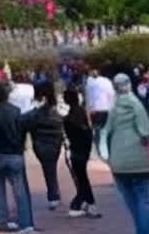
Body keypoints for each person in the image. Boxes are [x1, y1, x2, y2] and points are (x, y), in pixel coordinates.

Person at [105, 73, 149, 234]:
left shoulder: (113, 109)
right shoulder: (137, 105)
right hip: (139, 162)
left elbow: (107, 133)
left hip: (119, 163)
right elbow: (146, 134)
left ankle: (140, 229)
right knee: (144, 201)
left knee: (132, 202)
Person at [0, 81, 35, 234]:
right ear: (7, 96)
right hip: (15, 154)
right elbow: (21, 131)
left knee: (0, 187)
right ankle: (25, 223)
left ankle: (3, 218)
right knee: (19, 190)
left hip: (0, 153)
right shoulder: (16, 111)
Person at [22, 80, 63, 211]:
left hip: (41, 142)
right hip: (53, 141)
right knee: (50, 168)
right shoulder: (54, 106)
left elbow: (26, 120)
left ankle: (53, 195)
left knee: (49, 169)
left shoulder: (37, 109)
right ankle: (54, 194)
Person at [63, 87, 101, 219]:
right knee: (82, 178)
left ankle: (87, 203)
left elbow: (73, 131)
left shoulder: (69, 118)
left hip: (77, 150)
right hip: (83, 150)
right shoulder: (80, 112)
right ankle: (84, 202)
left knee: (81, 178)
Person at [85, 65, 114, 153]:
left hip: (96, 110)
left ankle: (99, 150)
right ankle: (106, 149)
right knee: (105, 130)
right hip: (106, 109)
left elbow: (88, 98)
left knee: (97, 130)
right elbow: (111, 96)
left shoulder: (89, 82)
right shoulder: (108, 82)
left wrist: (88, 111)